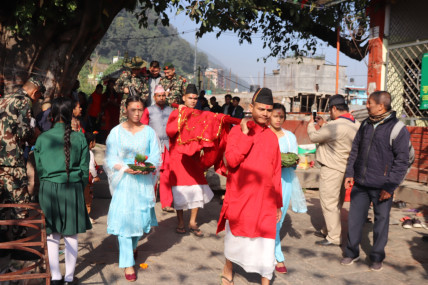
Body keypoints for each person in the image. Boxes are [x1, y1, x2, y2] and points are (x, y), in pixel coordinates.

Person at [217, 87, 282, 285]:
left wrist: (278, 203)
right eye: (261, 109)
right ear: (251, 107)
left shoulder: (272, 137)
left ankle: (265, 278)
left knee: (266, 240)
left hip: (264, 199)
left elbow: (276, 172)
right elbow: (231, 161)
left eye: (269, 110)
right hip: (240, 196)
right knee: (235, 236)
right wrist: (245, 135)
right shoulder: (237, 131)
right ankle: (228, 268)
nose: (265, 113)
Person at [341, 91, 410, 271]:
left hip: (382, 186)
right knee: (355, 220)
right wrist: (349, 173)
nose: (366, 105)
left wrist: (390, 185)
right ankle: (351, 252)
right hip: (360, 183)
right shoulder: (365, 124)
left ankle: (377, 257)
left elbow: (402, 161)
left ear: (381, 106)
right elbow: (355, 150)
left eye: (369, 102)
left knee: (381, 222)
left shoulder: (397, 129)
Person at [34, 97, 91, 285]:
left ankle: (56, 278)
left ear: (51, 116)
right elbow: (84, 170)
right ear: (69, 115)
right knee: (71, 234)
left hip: (49, 189)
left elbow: (40, 169)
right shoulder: (80, 137)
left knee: (52, 234)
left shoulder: (42, 138)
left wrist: (47, 183)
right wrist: (78, 186)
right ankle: (69, 278)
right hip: (72, 188)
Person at [104, 96, 161, 282]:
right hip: (124, 181)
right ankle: (128, 263)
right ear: (125, 110)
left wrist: (147, 168)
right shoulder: (116, 132)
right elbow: (110, 158)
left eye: (140, 110)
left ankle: (134, 246)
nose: (137, 113)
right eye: (133, 110)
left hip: (143, 182)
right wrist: (124, 168)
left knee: (140, 220)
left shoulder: (149, 132)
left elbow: (155, 156)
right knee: (124, 222)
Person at [307, 94, 360, 246]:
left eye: (330, 111)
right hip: (347, 169)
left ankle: (333, 237)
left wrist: (311, 124)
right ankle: (327, 230)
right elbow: (335, 136)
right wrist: (324, 124)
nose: (330, 114)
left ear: (334, 108)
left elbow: (314, 137)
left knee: (329, 203)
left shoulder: (334, 126)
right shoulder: (356, 124)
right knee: (337, 202)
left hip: (331, 169)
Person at [166, 84, 214, 236]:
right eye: (190, 98)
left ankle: (193, 221)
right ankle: (180, 221)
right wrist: (181, 116)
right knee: (179, 191)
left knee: (197, 189)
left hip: (193, 158)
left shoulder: (200, 115)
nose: (193, 101)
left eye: (195, 99)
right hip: (178, 158)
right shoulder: (175, 113)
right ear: (184, 98)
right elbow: (170, 131)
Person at [269, 103, 307, 274]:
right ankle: (273, 255)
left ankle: (276, 253)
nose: (278, 119)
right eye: (275, 116)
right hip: (264, 182)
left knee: (278, 219)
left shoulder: (290, 136)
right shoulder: (263, 135)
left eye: (281, 117)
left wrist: (291, 161)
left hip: (284, 182)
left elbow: (293, 160)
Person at [0, 77, 44, 216]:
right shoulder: (24, 101)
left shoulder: (4, 100)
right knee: (21, 203)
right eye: (38, 98)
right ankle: (20, 234)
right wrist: (35, 133)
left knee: (3, 201)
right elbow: (24, 132)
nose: (36, 101)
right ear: (35, 92)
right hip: (12, 161)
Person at [140, 85, 174, 212]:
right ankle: (149, 200)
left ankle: (167, 203)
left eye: (163, 95)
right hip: (153, 146)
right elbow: (143, 128)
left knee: (167, 175)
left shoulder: (171, 110)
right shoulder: (148, 110)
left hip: (167, 146)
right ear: (154, 97)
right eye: (159, 96)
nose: (161, 98)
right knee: (152, 174)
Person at [115, 56, 148, 123]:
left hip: (137, 106)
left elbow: (145, 93)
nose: (136, 71)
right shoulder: (125, 76)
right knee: (124, 125)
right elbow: (116, 86)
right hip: (125, 106)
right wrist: (123, 89)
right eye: (134, 69)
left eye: (138, 69)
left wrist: (140, 101)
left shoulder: (142, 78)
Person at [84, 132, 100, 224]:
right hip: (87, 179)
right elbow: (91, 167)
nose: (95, 144)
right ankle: (86, 218)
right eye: (94, 142)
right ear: (91, 143)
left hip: (80, 178)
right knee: (87, 199)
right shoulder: (89, 153)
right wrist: (96, 176)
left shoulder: (81, 150)